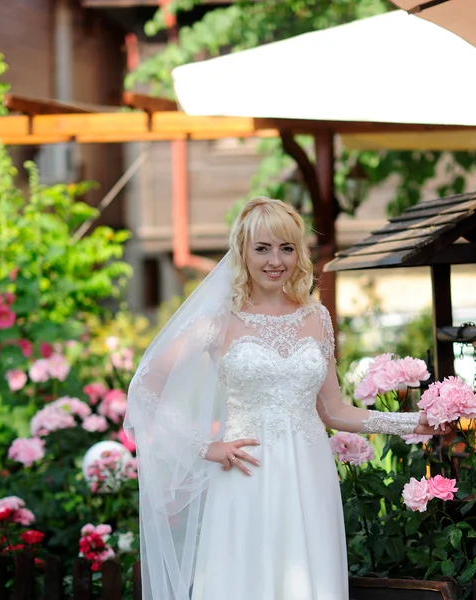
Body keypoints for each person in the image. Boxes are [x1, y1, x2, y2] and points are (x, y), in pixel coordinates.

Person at [125, 197, 445, 600]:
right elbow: (146, 385)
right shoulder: (218, 320)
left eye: (286, 248)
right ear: (242, 252)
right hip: (247, 473)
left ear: (299, 253)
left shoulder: (317, 317)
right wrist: (204, 447)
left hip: (309, 475)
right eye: (262, 248)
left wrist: (408, 422)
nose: (275, 260)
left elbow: (332, 409)